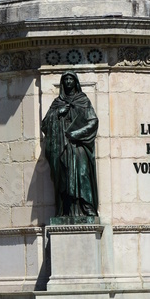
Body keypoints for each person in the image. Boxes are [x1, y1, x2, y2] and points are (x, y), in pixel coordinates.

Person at [41, 71, 99, 222]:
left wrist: (78, 133)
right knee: (63, 178)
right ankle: (65, 210)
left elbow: (93, 121)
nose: (68, 82)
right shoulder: (57, 103)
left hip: (79, 146)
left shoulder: (83, 100)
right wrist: (58, 114)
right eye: (65, 79)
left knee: (82, 174)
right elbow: (45, 124)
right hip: (62, 147)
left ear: (75, 82)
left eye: (70, 79)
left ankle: (87, 207)